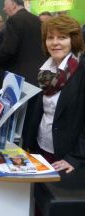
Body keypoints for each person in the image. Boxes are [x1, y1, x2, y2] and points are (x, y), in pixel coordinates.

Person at [23, 15, 85, 174]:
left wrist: (76, 157)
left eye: (62, 37)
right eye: (50, 37)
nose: (55, 42)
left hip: (68, 155)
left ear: (73, 40)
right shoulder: (45, 71)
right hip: (41, 145)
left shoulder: (81, 70)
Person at [0, 0, 45, 92]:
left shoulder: (14, 20)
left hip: (18, 77)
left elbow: (8, 49)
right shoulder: (37, 20)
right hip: (36, 75)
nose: (3, 9)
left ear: (14, 5)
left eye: (5, 5)